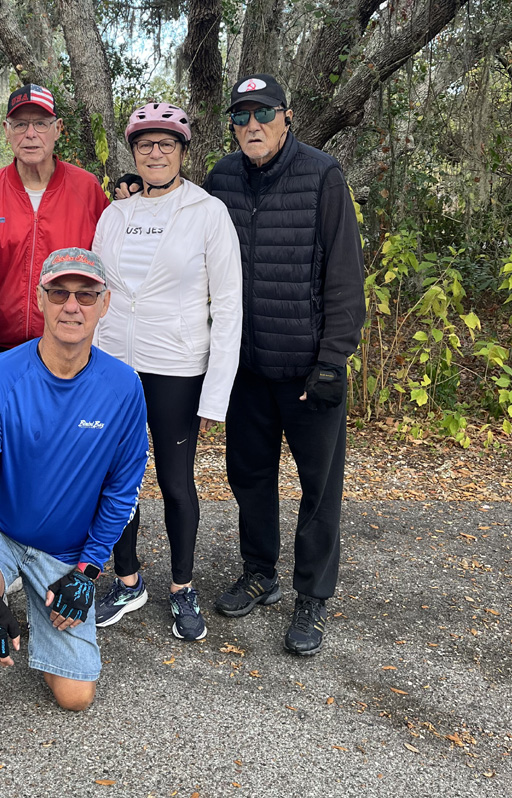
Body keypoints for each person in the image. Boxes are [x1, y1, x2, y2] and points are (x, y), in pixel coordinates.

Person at [0, 248, 148, 750]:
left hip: (65, 552)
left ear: (104, 304)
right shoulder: (0, 376)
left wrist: (89, 571)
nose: (71, 306)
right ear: (40, 299)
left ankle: (38, 605)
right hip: (4, 531)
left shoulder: (124, 388)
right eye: (59, 293)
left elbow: (122, 493)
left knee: (75, 697)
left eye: (86, 295)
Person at [203, 74, 366, 655]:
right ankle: (259, 572)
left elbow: (344, 274)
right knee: (249, 477)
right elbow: (183, 228)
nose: (253, 125)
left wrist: (333, 359)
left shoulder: (322, 175)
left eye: (264, 113)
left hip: (307, 371)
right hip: (246, 367)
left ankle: (312, 595)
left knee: (319, 488)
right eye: (241, 116)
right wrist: (135, 192)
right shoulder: (220, 179)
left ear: (286, 117)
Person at [91, 103, 242, 641]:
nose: (155, 153)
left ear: (182, 151)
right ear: (133, 153)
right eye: (145, 145)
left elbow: (229, 305)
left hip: (177, 368)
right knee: (115, 481)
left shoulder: (207, 212)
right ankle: (128, 580)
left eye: (166, 144)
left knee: (176, 482)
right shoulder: (115, 215)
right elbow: (97, 292)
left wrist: (216, 394)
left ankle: (182, 587)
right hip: (114, 367)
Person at [0, 84, 109, 350]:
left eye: (41, 124)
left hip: (71, 346)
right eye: (20, 124)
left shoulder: (88, 190)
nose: (30, 134)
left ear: (58, 129)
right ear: (6, 130)